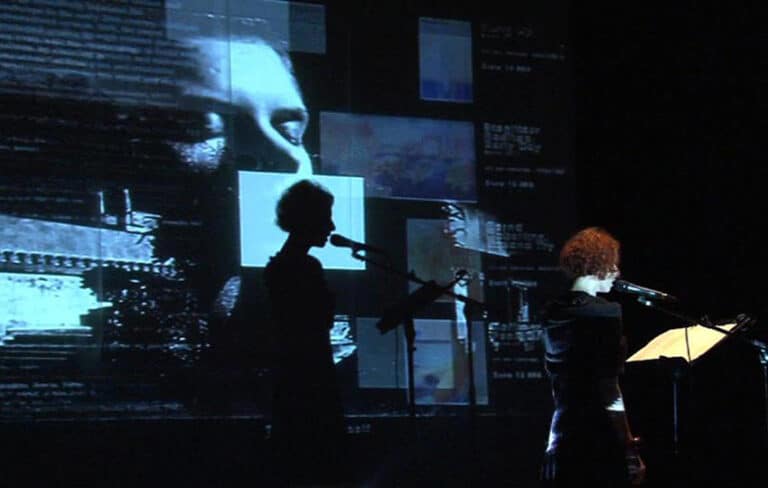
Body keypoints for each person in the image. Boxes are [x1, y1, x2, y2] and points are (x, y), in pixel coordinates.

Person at [540, 227, 646, 486]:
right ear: (599, 263)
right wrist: (628, 446)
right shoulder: (606, 312)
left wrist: (552, 441)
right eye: (612, 264)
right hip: (598, 431)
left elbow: (558, 385)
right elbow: (609, 386)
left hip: (562, 430)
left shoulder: (552, 311)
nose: (616, 272)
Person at [263, 179, 345, 486]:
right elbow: (314, 323)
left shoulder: (286, 266)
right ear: (308, 219)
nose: (331, 226)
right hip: (308, 381)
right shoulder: (302, 267)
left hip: (298, 380)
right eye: (325, 217)